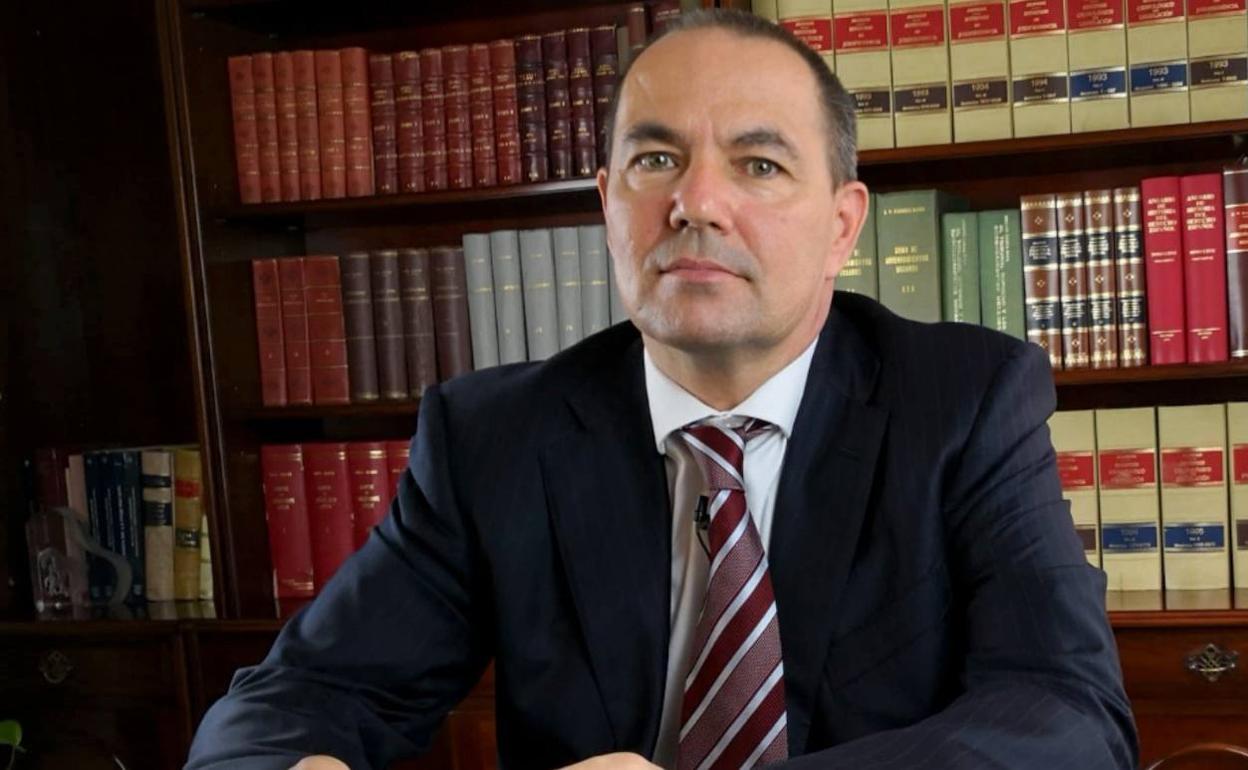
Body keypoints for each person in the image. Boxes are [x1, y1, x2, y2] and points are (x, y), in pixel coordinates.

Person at [186, 9, 1137, 770]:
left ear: (843, 227)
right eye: (655, 160)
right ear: (608, 205)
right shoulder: (492, 438)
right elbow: (291, 703)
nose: (696, 202)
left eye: (759, 165)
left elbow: (1065, 716)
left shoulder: (965, 401)